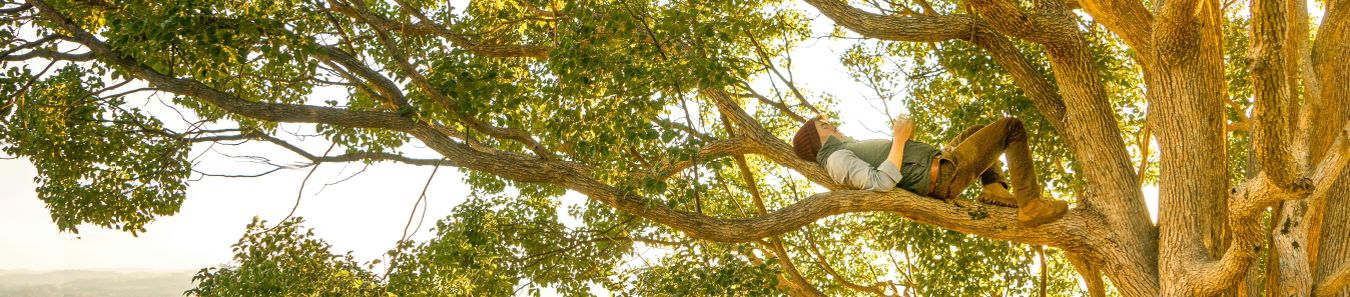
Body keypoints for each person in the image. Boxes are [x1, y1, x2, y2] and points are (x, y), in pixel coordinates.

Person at [791, 115, 1068, 226]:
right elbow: (880, 182)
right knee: (1011, 127)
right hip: (942, 177)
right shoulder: (836, 159)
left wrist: (905, 141)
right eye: (825, 126)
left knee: (975, 131)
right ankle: (1030, 205)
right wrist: (899, 139)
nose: (833, 125)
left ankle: (994, 187)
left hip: (940, 164)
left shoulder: (845, 149)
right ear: (819, 140)